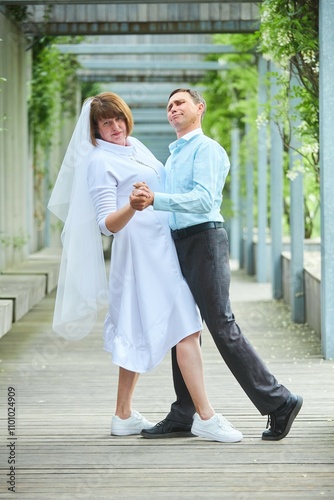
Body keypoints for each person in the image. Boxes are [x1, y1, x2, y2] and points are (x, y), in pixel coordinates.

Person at [48, 92, 243, 443]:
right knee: (186, 325)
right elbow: (106, 224)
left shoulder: (135, 145)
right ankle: (206, 416)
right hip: (140, 254)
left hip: (165, 244)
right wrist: (133, 207)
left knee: (136, 328)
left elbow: (165, 186)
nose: (115, 127)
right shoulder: (98, 161)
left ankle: (123, 414)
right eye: (106, 124)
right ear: (95, 131)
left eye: (119, 119)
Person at [130, 88, 303, 441]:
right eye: (169, 106)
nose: (173, 109)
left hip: (204, 240)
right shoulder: (175, 155)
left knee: (221, 325)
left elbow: (204, 199)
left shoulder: (206, 149)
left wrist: (156, 199)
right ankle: (183, 413)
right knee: (182, 327)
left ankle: (279, 400)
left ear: (199, 107)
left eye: (180, 103)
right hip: (180, 244)